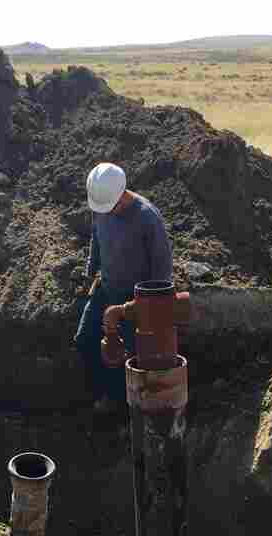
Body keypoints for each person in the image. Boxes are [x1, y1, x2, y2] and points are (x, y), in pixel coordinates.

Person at [74, 162, 173, 414]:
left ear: (122, 193)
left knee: (128, 357)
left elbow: (162, 269)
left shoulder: (147, 217)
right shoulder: (102, 206)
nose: (109, 212)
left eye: (113, 207)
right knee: (85, 339)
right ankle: (103, 394)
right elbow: (97, 239)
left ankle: (124, 407)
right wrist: (89, 273)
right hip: (106, 290)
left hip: (136, 301)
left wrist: (150, 310)